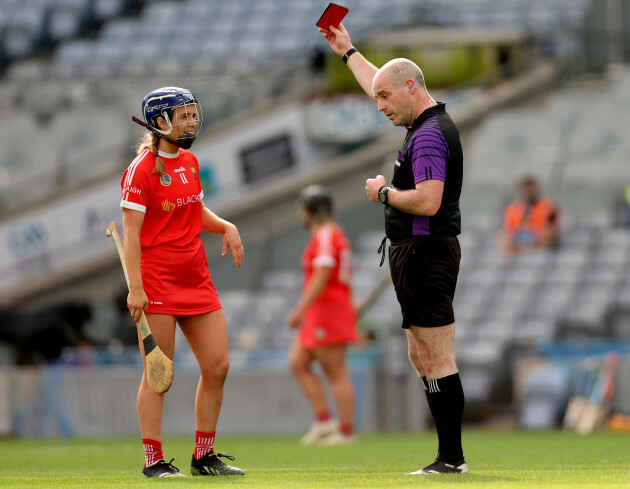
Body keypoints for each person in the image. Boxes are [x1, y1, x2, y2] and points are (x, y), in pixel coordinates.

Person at [320, 24, 467, 474]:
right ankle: (447, 454)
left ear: (410, 88)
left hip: (426, 250)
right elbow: (379, 80)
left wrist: (383, 193)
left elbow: (428, 200)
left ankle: (451, 458)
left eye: (384, 98)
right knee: (419, 353)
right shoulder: (421, 119)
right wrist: (348, 52)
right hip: (417, 251)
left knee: (436, 354)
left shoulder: (426, 134)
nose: (378, 105)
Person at [121, 87, 245, 478]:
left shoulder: (189, 161)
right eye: (183, 115)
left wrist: (225, 225)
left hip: (195, 278)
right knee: (159, 375)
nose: (191, 122)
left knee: (218, 365)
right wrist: (136, 288)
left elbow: (196, 210)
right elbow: (130, 234)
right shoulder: (140, 170)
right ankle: (153, 461)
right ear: (160, 122)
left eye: (193, 114)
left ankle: (203, 457)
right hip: (156, 282)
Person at [287, 185, 358, 445]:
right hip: (323, 309)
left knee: (335, 371)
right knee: (298, 362)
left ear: (308, 210)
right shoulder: (329, 234)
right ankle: (324, 419)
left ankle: (346, 431)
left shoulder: (327, 235)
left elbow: (323, 273)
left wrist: (300, 309)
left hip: (327, 309)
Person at [498, 176, 561, 255]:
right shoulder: (512, 208)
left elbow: (553, 228)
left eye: (531, 189)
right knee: (503, 238)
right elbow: (507, 229)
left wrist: (534, 235)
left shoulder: (547, 206)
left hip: (539, 240)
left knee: (548, 235)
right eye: (526, 190)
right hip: (518, 239)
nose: (528, 193)